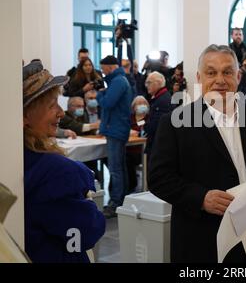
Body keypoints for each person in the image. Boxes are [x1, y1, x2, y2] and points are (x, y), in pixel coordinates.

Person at [147, 45, 246, 263]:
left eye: (227, 72)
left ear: (238, 76)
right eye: (211, 72)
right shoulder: (175, 123)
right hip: (202, 242)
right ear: (199, 77)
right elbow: (158, 178)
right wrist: (201, 198)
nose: (220, 80)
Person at [23, 61, 105, 262]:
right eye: (52, 106)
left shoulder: (18, 161)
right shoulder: (56, 172)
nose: (61, 112)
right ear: (25, 116)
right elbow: (86, 232)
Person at [97, 56, 133, 218]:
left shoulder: (118, 81)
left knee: (115, 169)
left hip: (115, 129)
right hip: (117, 128)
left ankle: (115, 203)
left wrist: (98, 94)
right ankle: (121, 199)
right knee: (119, 167)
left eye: (103, 68)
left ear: (110, 67)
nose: (102, 71)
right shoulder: (118, 80)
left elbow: (107, 103)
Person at [144, 71, 173, 158]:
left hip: (159, 146)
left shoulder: (162, 101)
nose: (146, 85)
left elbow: (154, 126)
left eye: (149, 82)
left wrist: (141, 123)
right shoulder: (160, 98)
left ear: (158, 83)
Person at [126, 96, 150, 194]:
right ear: (134, 106)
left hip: (141, 150)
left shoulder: (148, 118)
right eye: (139, 104)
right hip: (129, 147)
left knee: (130, 159)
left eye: (144, 103)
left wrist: (136, 131)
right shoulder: (130, 117)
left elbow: (143, 131)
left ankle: (134, 186)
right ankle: (128, 186)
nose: (141, 106)